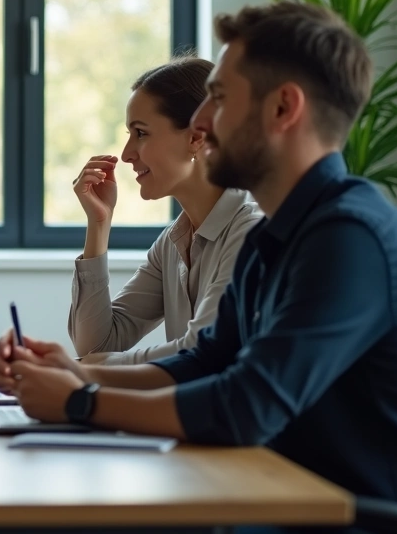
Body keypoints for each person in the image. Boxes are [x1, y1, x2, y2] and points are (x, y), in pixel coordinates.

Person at [0, 0, 397, 520]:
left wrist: (80, 402)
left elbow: (246, 406)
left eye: (218, 98)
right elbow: (203, 363)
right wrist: (76, 376)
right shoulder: (279, 235)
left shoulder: (348, 236)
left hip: (354, 517)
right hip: (280, 491)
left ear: (283, 108)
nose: (202, 122)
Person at [69, 57, 260, 364]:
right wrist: (98, 224)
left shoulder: (251, 233)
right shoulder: (172, 243)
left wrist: (82, 370)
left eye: (141, 133)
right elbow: (96, 346)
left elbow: (201, 352)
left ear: (197, 137)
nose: (127, 154)